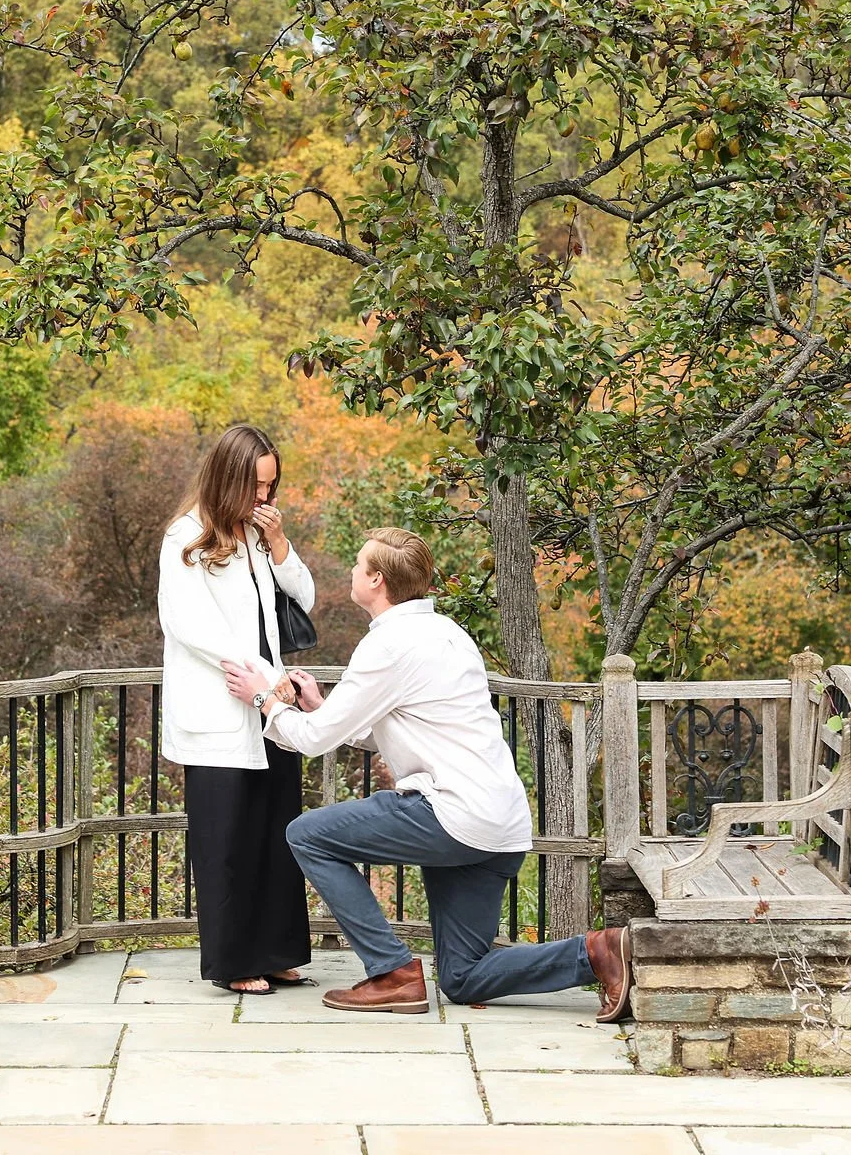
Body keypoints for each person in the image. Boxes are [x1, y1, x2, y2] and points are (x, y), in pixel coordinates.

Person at [221, 527, 631, 1018]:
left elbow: (311, 740)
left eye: (357, 565)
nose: (351, 571)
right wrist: (323, 707)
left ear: (375, 580)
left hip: (451, 814)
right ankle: (597, 953)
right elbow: (407, 727)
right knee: (462, 977)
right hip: (499, 826)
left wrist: (263, 699)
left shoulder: (388, 645)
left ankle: (392, 973)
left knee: (308, 835)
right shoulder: (448, 633)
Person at [159, 424, 319, 995]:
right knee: (226, 837)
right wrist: (267, 680)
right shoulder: (186, 538)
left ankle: (276, 951)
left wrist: (280, 548)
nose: (265, 498)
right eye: (256, 486)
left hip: (270, 709)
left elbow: (305, 602)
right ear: (228, 478)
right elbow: (192, 626)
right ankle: (233, 962)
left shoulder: (257, 536)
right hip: (223, 707)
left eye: (272, 487)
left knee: (276, 832)